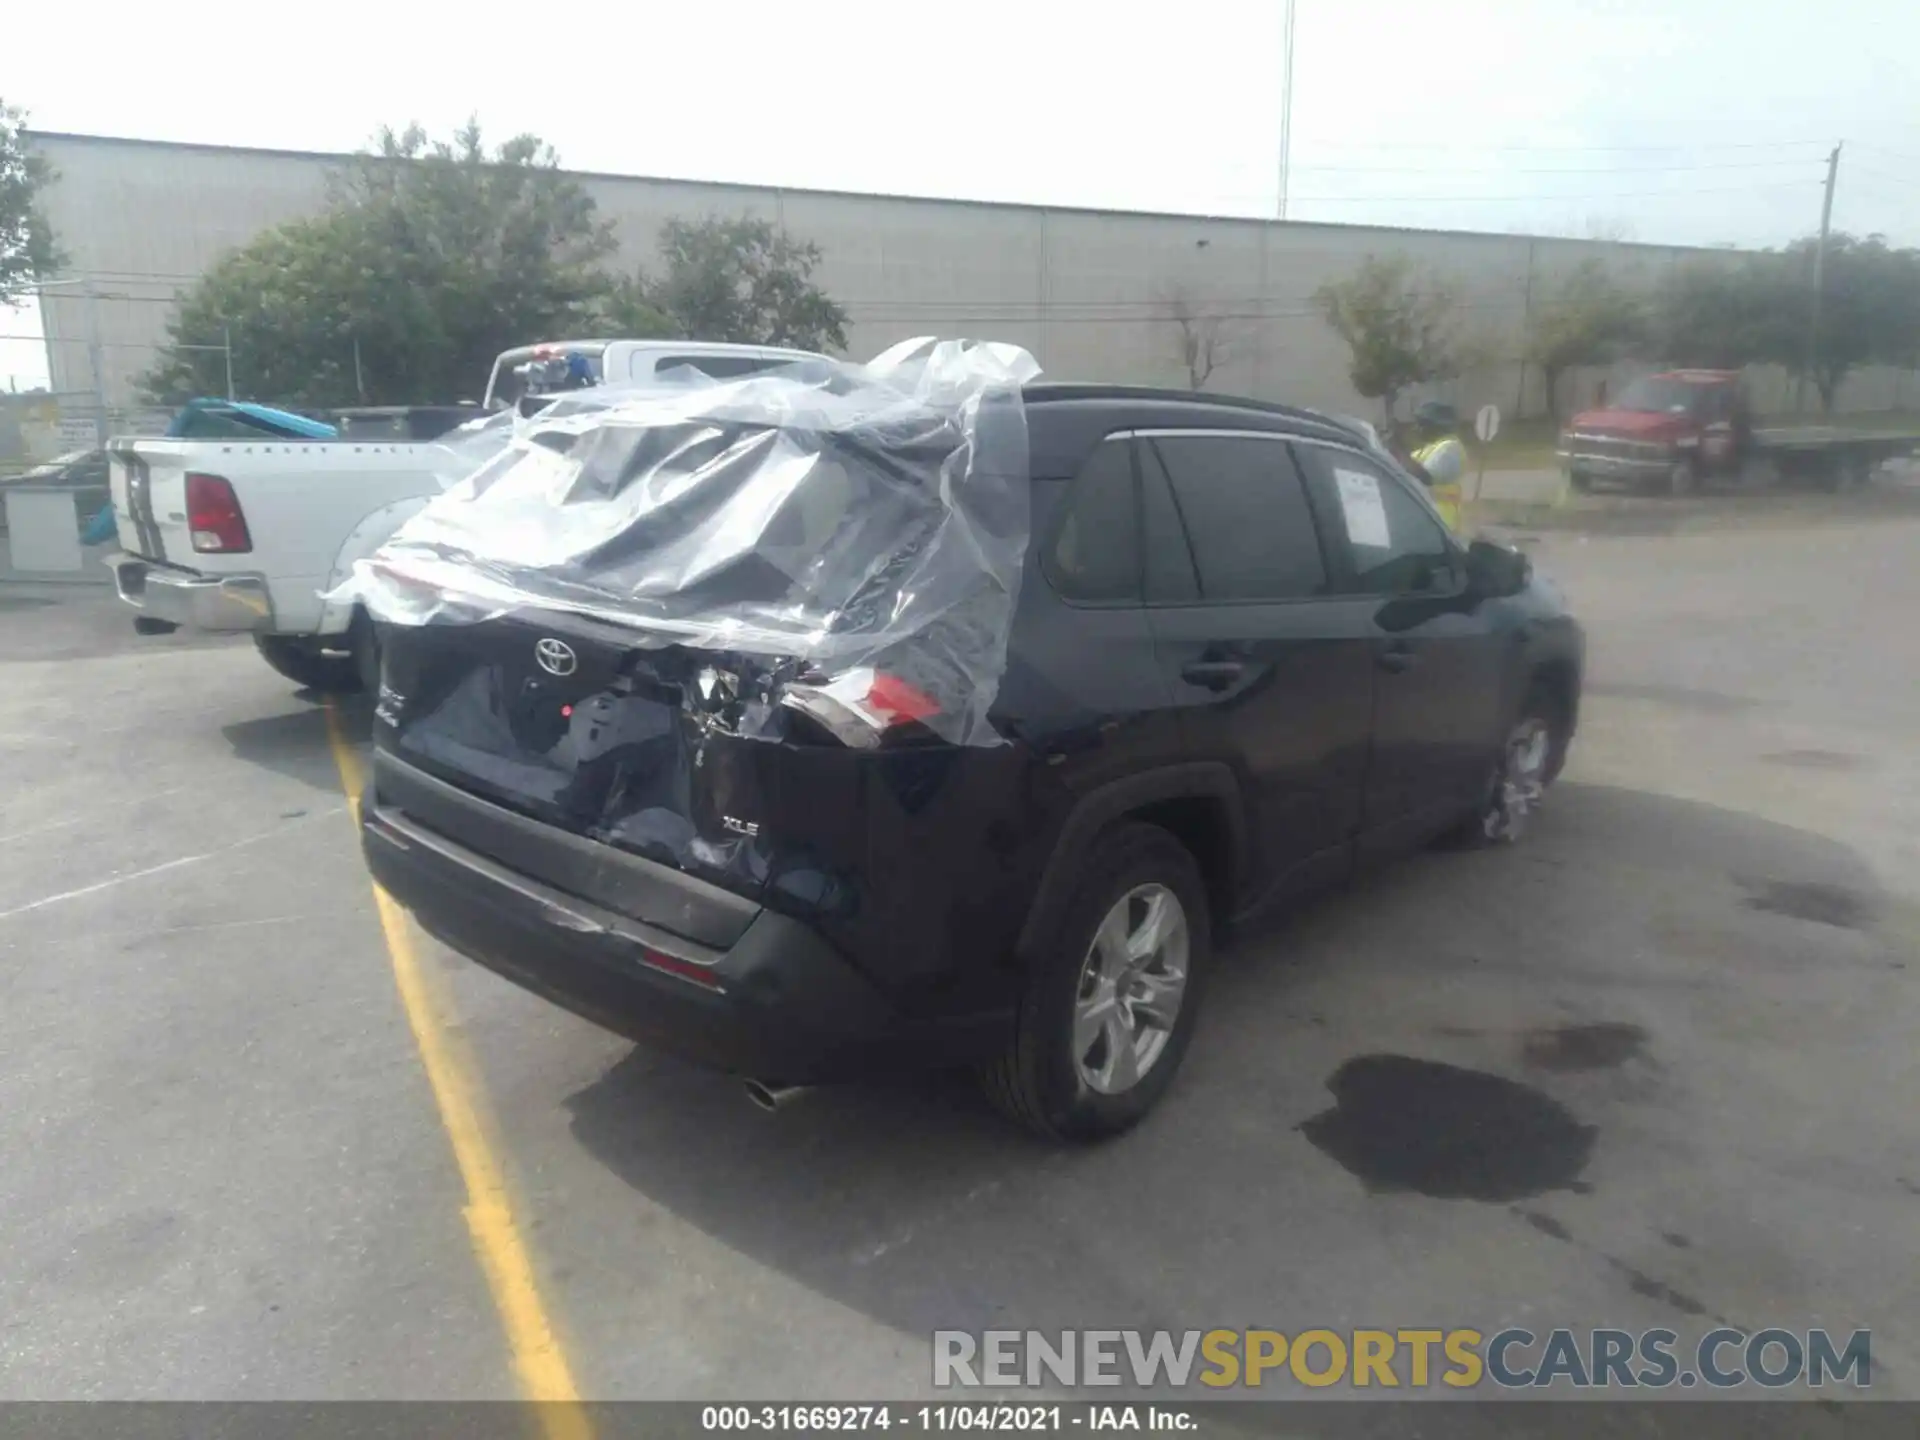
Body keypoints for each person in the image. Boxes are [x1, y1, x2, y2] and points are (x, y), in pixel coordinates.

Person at [1409, 400, 1468, 531]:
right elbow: (1401, 467)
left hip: (1440, 525)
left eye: (1421, 425)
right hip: (1427, 522)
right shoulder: (1428, 450)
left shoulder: (1450, 448)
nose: (1416, 429)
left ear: (1436, 426)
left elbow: (1426, 477)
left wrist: (1399, 450)